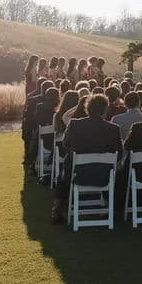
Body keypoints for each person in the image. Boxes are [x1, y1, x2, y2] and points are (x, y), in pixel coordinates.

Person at [51, 93, 122, 224]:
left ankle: (58, 208)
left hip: (78, 175)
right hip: (104, 177)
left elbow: (66, 144)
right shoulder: (113, 129)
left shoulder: (74, 125)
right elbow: (119, 155)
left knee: (67, 165)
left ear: (87, 108)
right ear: (105, 109)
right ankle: (113, 206)